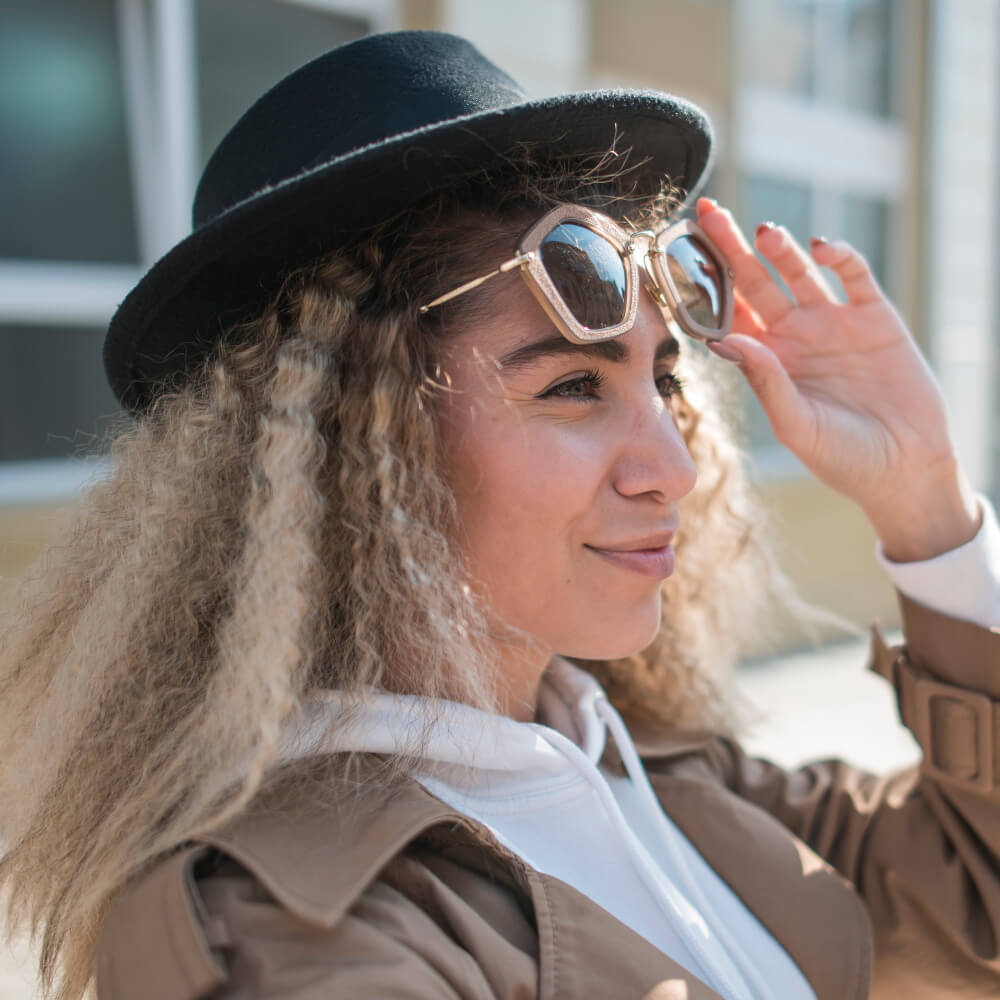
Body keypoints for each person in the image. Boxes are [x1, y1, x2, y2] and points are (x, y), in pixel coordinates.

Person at [1, 29, 999, 1000]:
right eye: (572, 386)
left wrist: (927, 501)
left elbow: (972, 906)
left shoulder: (636, 760)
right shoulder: (301, 936)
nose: (673, 469)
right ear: (356, 445)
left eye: (663, 380)